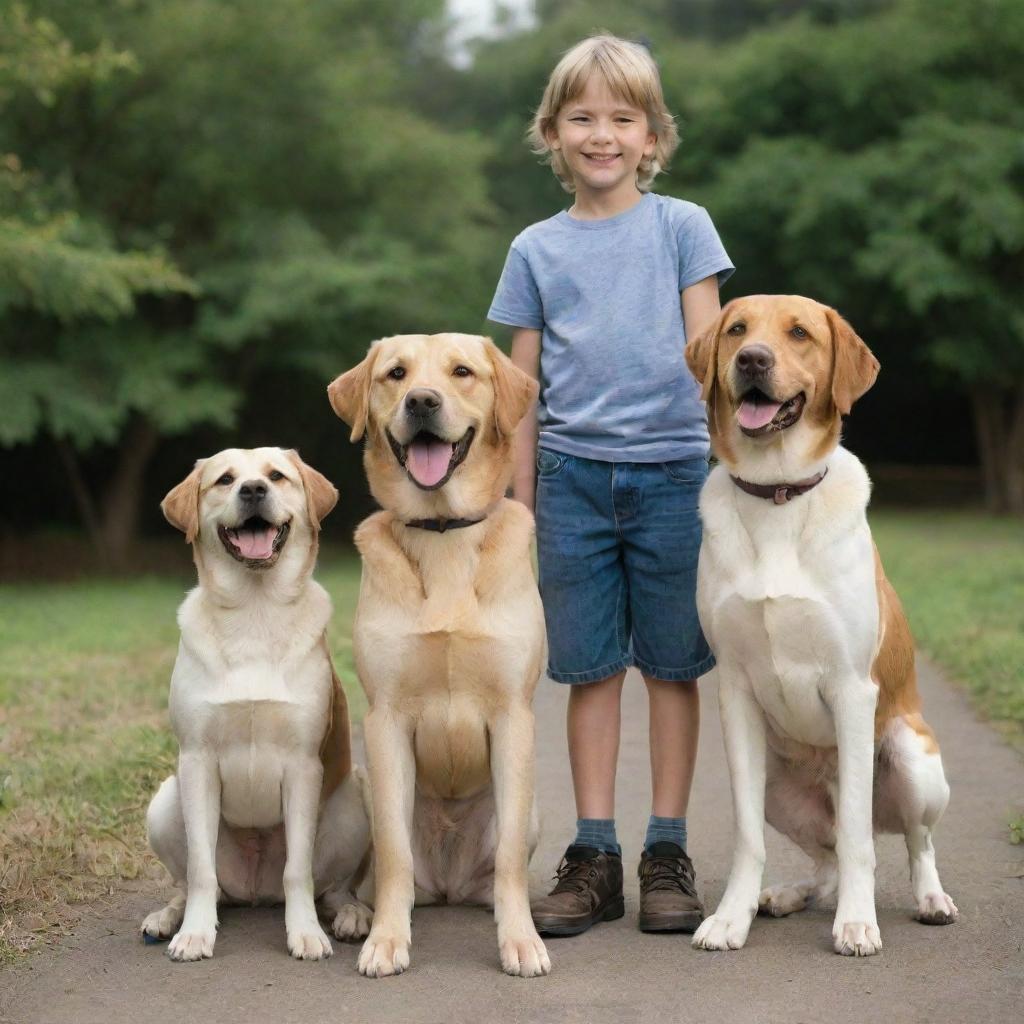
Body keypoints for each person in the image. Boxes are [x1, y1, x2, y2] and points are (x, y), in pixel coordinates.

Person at [487, 34, 734, 937]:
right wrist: (520, 505)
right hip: (572, 481)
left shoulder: (683, 228)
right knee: (589, 671)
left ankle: (667, 849)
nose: (603, 135)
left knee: (673, 667)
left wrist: (727, 480)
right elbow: (520, 393)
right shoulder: (534, 249)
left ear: (652, 135)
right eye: (582, 118)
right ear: (552, 133)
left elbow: (709, 362)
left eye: (622, 119)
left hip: (674, 474)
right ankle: (594, 855)